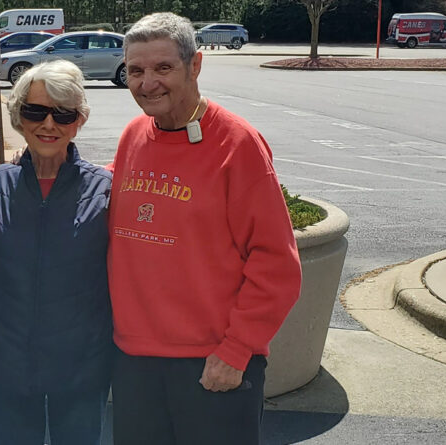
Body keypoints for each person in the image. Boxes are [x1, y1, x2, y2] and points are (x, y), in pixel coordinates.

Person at [107, 13, 303, 444]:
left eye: (163, 68)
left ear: (195, 65)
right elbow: (102, 191)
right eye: (136, 71)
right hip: (134, 361)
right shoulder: (134, 136)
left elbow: (277, 265)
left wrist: (236, 350)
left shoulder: (238, 145)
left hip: (214, 363)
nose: (147, 83)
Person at [0, 59, 113, 445]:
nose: (49, 125)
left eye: (63, 114)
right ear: (19, 117)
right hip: (8, 366)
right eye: (35, 111)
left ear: (80, 120)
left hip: (81, 370)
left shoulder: (105, 190)